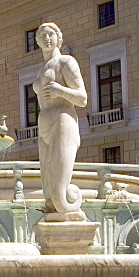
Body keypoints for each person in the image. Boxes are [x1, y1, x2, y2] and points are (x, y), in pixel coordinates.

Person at [33, 23, 88, 220]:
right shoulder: (41, 71)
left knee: (60, 193)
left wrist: (59, 91)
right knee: (49, 195)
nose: (47, 39)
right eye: (42, 36)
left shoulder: (66, 62)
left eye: (51, 34)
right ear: (38, 42)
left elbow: (82, 98)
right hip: (44, 124)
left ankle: (71, 221)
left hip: (63, 120)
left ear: (59, 38)